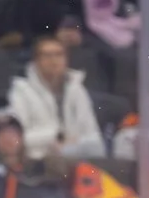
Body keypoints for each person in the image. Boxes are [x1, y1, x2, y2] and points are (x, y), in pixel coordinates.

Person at [6, 36, 105, 168]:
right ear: (36, 61)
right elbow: (17, 140)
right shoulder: (21, 91)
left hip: (76, 162)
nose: (54, 60)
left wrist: (72, 145)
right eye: (47, 55)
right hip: (37, 164)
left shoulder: (77, 88)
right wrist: (55, 136)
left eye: (59, 55)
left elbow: (93, 135)